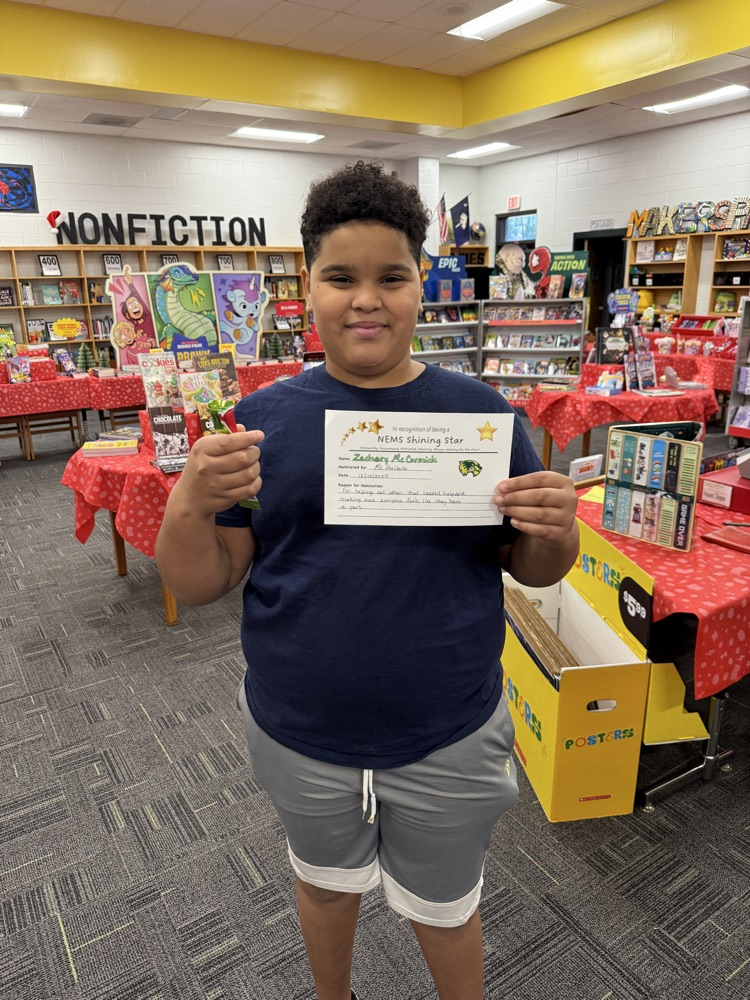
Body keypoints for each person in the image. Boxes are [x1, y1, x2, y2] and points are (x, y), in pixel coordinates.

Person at [155, 160, 579, 1000]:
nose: (366, 300)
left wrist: (555, 531)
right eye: (340, 277)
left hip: (450, 722)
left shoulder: (483, 416)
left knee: (447, 906)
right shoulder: (261, 423)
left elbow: (530, 566)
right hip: (299, 721)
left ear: (423, 284)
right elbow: (205, 581)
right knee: (323, 886)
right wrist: (189, 502)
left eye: (392, 277)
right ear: (306, 286)